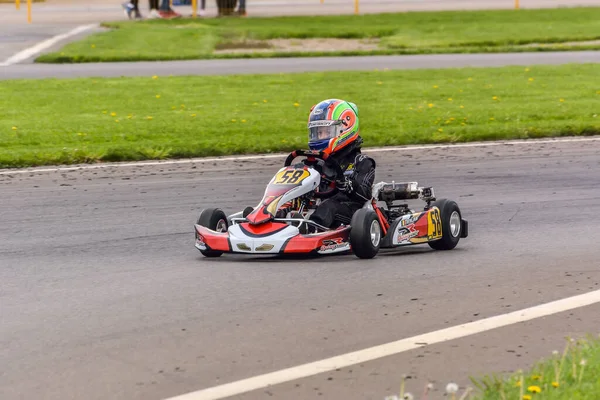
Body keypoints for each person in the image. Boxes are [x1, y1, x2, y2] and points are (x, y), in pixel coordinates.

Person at [304, 99, 376, 231]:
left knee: (329, 206)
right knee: (288, 205)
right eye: (318, 132)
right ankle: (265, 222)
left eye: (326, 132)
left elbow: (365, 193)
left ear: (345, 129)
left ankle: (310, 230)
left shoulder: (362, 162)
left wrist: (348, 185)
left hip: (353, 213)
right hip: (320, 208)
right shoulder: (318, 164)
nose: (321, 137)